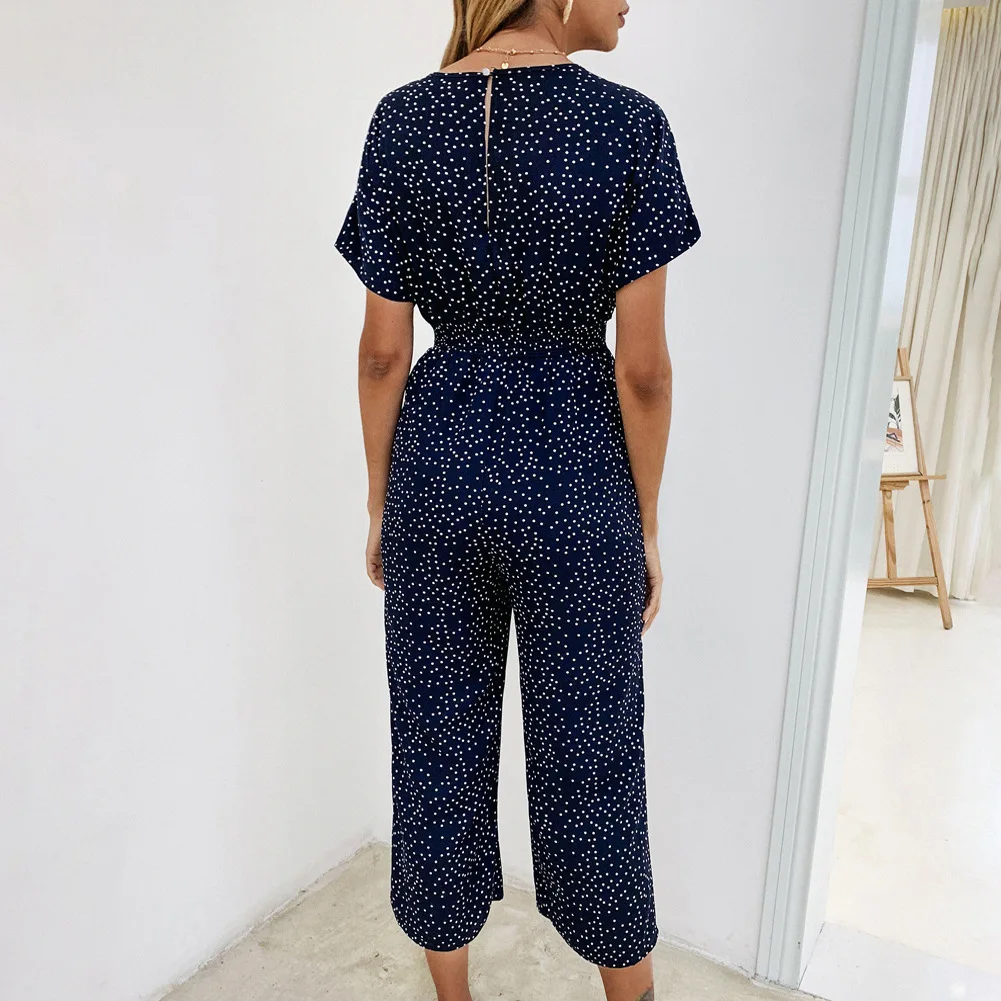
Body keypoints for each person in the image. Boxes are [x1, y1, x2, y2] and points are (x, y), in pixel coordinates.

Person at [334, 1, 700, 998]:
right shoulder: (630, 126)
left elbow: (380, 353)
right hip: (575, 469)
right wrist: (645, 523)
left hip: (437, 462)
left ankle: (451, 992)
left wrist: (380, 501)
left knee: (434, 738)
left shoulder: (400, 119)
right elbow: (644, 371)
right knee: (593, 751)